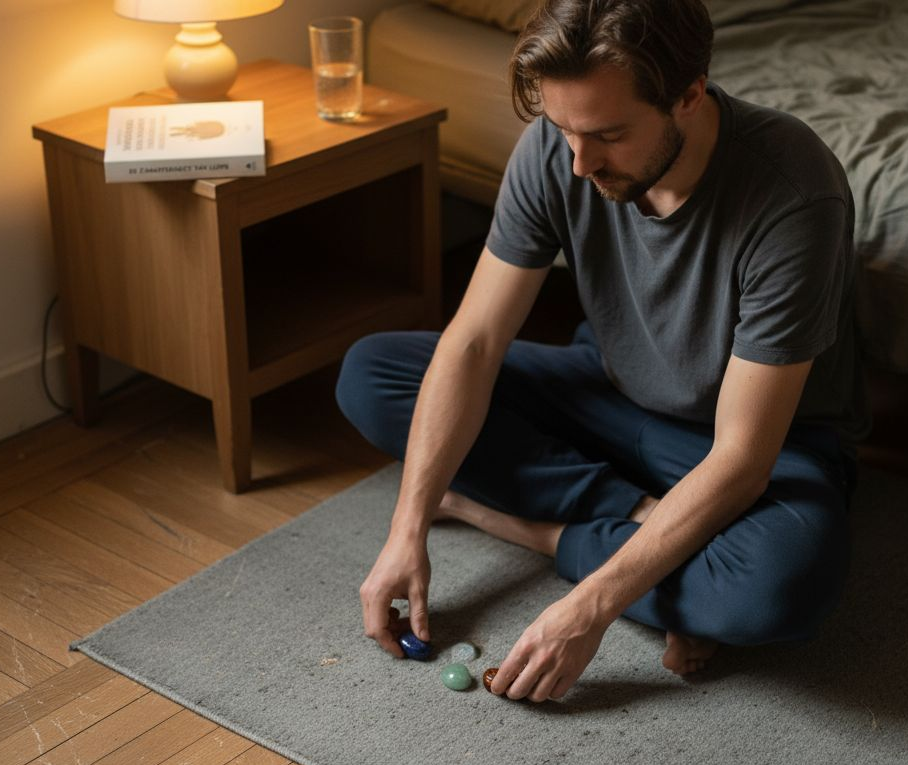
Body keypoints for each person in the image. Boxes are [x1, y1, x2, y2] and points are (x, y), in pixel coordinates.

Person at [335, 0, 868, 704]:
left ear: (688, 95)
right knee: (373, 373)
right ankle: (654, 529)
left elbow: (741, 459)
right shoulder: (562, 148)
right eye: (563, 130)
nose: (581, 162)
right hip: (610, 391)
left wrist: (593, 606)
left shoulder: (793, 192)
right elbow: (473, 343)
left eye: (609, 135)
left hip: (760, 441)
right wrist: (407, 530)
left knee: (778, 588)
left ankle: (522, 524)